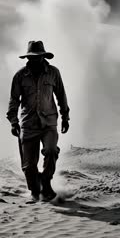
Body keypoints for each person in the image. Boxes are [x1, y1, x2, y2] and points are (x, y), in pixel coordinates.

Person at [6, 40, 70, 202]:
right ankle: (35, 191)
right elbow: (14, 100)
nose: (34, 60)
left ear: (43, 56)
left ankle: (46, 181)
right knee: (29, 163)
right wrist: (13, 121)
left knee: (50, 150)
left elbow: (61, 96)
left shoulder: (53, 73)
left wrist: (65, 117)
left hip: (49, 122)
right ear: (27, 58)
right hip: (28, 123)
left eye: (37, 57)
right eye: (31, 57)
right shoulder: (20, 76)